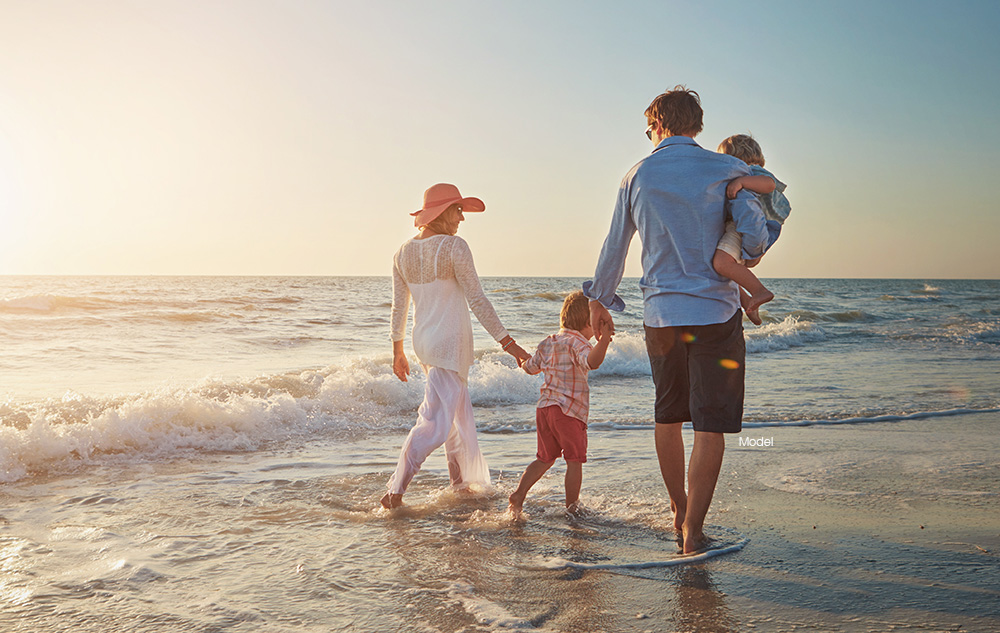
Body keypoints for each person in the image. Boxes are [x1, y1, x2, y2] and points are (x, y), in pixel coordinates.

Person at [584, 86, 769, 554]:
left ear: (660, 125)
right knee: (710, 425)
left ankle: (678, 510)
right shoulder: (727, 167)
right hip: (716, 314)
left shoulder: (636, 175)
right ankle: (693, 533)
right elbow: (753, 231)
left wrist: (599, 299)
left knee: (668, 418)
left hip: (662, 316)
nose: (649, 136)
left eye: (649, 128)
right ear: (695, 125)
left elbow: (615, 247)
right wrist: (749, 252)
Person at [382, 183, 531, 510]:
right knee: (435, 423)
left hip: (424, 344)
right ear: (439, 212)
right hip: (449, 344)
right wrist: (510, 344)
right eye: (457, 209)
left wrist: (398, 351)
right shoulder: (454, 247)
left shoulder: (401, 254)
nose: (462, 218)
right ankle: (396, 489)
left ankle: (460, 485)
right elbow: (477, 299)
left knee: (456, 419)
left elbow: (399, 308)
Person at [507, 291, 612, 519]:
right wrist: (604, 341)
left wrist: (522, 360)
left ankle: (519, 494)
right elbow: (592, 362)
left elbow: (530, 367)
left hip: (545, 409)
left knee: (545, 458)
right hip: (569, 412)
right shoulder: (578, 344)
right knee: (574, 460)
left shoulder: (549, 342)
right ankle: (572, 508)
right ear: (588, 323)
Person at [712, 133, 792, 325]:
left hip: (745, 228)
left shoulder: (752, 171)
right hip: (748, 228)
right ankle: (748, 303)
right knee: (728, 270)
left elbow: (770, 185)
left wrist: (741, 182)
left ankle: (759, 291)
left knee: (721, 263)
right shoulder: (744, 174)